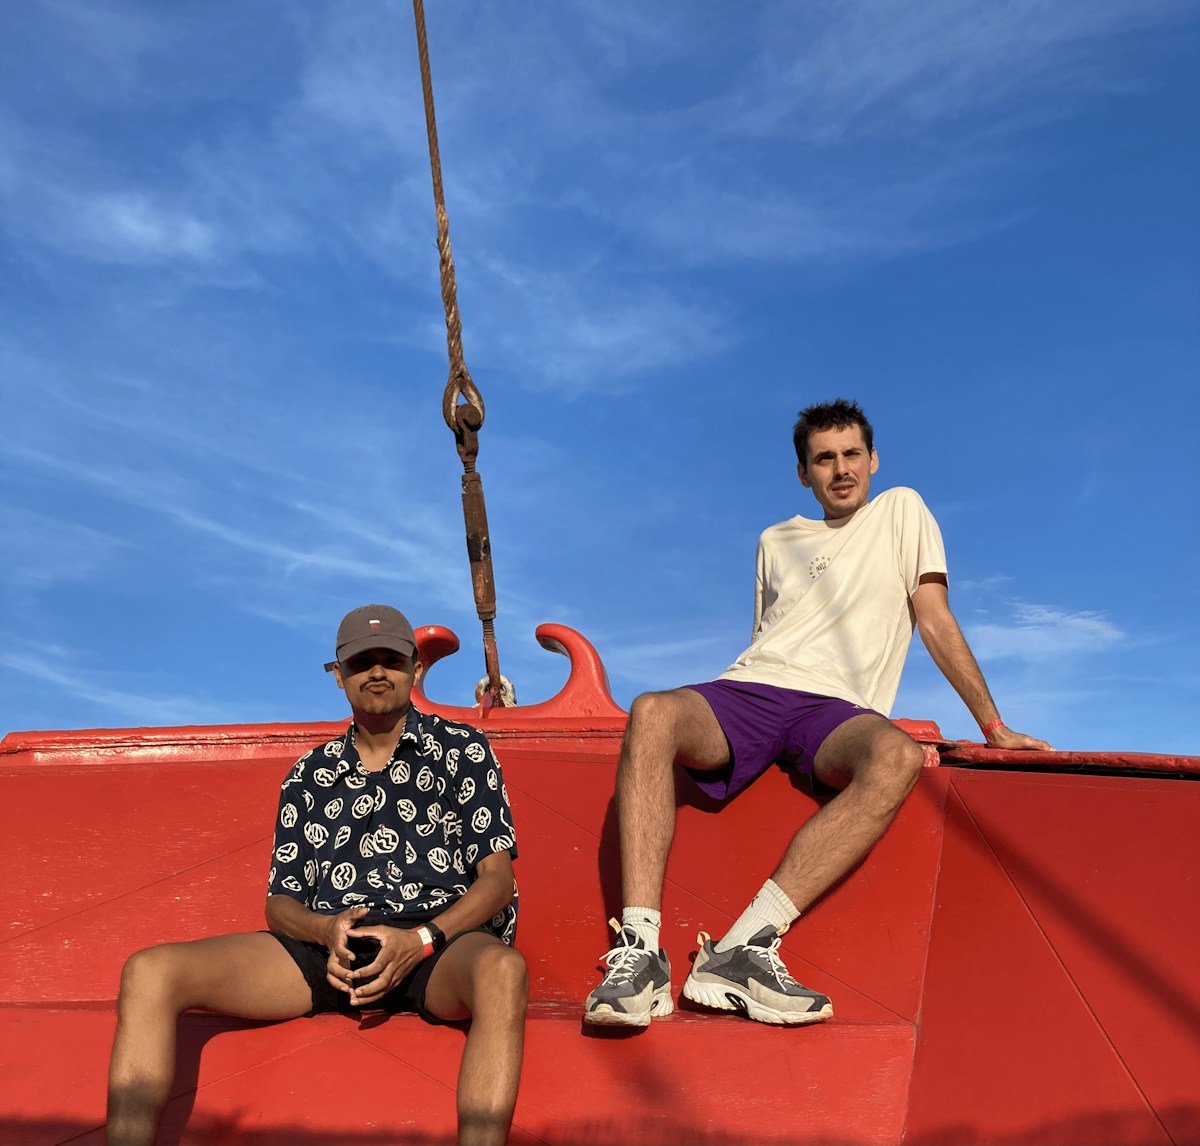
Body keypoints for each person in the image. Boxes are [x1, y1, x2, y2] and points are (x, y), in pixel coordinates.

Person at [584, 399, 1051, 1029]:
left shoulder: (901, 510)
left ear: (873, 459)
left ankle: (744, 948)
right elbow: (763, 636)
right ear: (804, 473)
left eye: (852, 454)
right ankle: (641, 954)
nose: (841, 469)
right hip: (753, 689)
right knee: (652, 711)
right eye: (824, 459)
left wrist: (993, 726)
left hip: (837, 708)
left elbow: (934, 617)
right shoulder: (775, 540)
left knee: (897, 755)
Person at [107, 605, 526, 1146]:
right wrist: (325, 931)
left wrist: (420, 940)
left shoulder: (464, 750)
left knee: (503, 972)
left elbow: (497, 881)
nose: (377, 672)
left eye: (392, 659)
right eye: (361, 662)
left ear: (416, 668)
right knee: (149, 971)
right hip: (329, 951)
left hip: (435, 946)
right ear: (339, 676)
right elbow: (280, 904)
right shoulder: (308, 774)